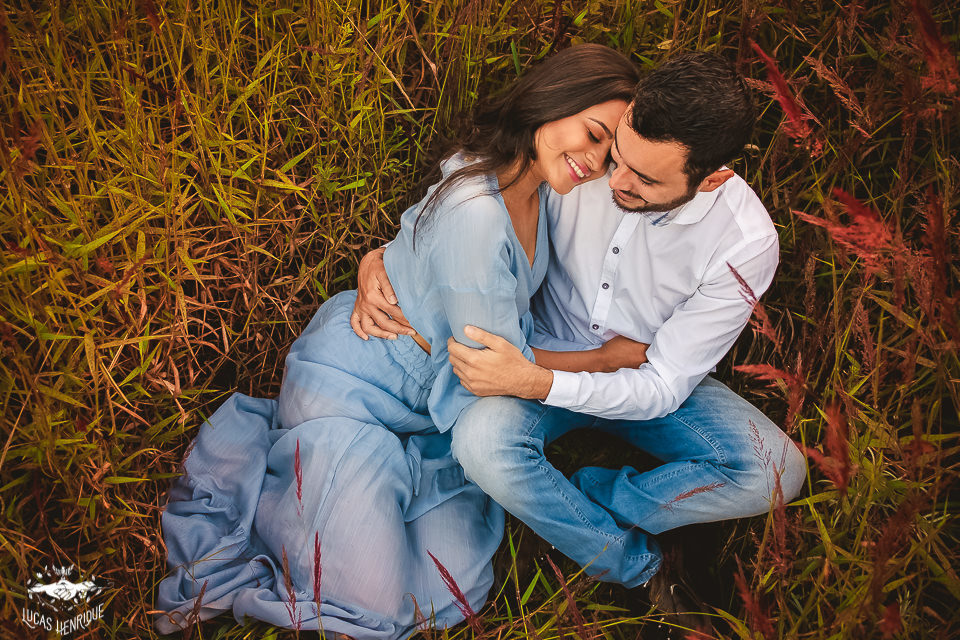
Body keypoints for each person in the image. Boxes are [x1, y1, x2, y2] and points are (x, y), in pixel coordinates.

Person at [154, 44, 640, 639]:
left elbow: (423, 250)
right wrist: (605, 360)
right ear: (553, 102)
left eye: (608, 152)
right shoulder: (481, 211)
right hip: (355, 389)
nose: (594, 160)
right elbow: (496, 365)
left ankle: (337, 512)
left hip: (427, 407)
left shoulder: (529, 185)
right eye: (593, 134)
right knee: (374, 602)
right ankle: (303, 502)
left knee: (452, 581)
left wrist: (378, 258)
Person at [352, 51, 807, 591]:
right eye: (619, 155)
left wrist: (542, 381)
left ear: (711, 179)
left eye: (645, 180)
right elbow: (479, 198)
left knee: (776, 471)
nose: (615, 179)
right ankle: (637, 567)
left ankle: (585, 504)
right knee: (482, 445)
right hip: (536, 345)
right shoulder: (586, 155)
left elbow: (663, 385)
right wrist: (387, 255)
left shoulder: (744, 244)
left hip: (638, 374)